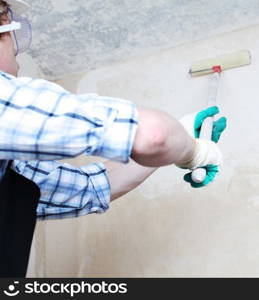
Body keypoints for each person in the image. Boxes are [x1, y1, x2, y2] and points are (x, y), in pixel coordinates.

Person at [0, 0, 227, 277]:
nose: (18, 55)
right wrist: (195, 152)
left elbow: (92, 188)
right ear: (2, 28)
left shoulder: (11, 169)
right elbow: (155, 135)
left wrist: (180, 131)